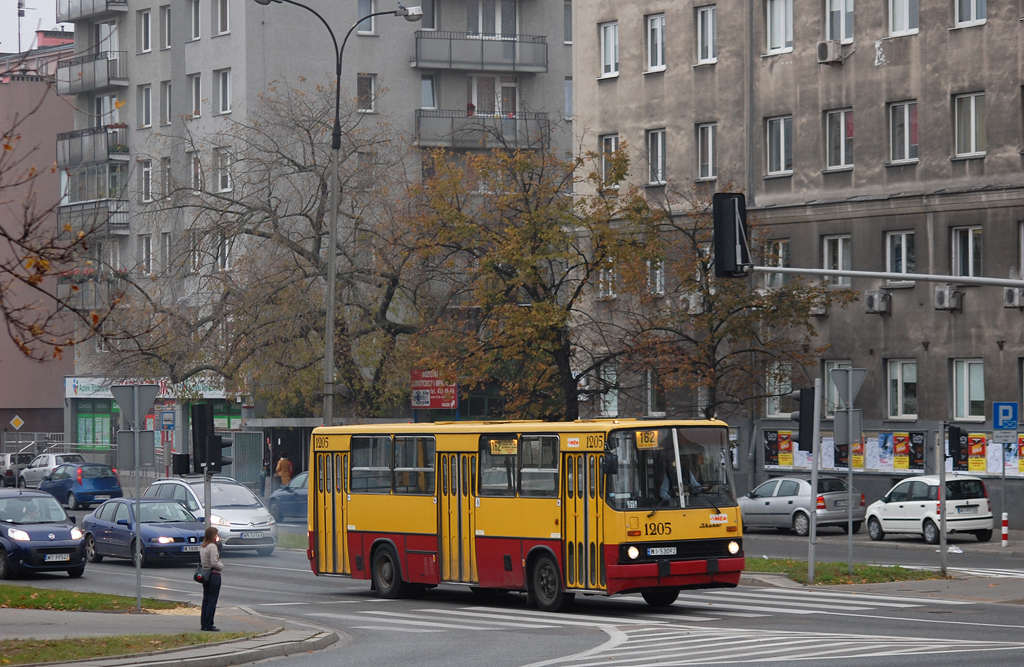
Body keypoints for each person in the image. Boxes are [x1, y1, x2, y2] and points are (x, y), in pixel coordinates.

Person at [199, 526, 224, 632]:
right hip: (214, 574)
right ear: (212, 535)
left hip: (205, 575)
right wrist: (221, 566)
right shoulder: (212, 547)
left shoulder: (203, 546)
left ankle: (204, 623)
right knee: (212, 600)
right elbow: (214, 562)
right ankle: (209, 624)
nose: (217, 537)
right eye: (216, 534)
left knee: (206, 599)